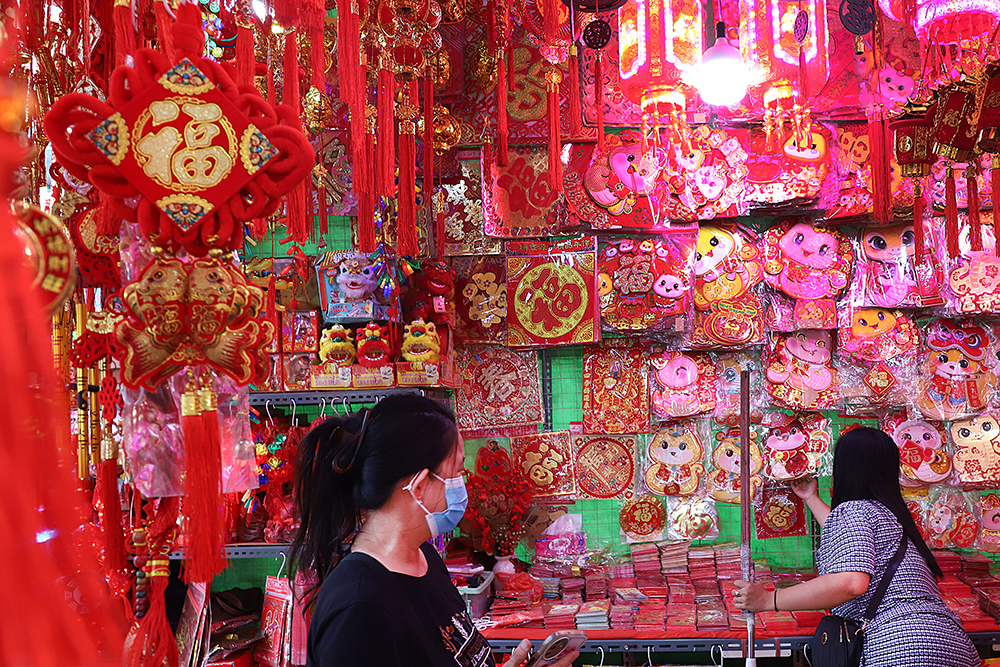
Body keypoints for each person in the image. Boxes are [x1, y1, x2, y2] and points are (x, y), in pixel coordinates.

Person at [291, 394, 579, 667]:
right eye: (457, 472)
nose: (462, 485)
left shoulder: (424, 559)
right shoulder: (359, 610)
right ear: (419, 487)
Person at [732, 427, 979, 667]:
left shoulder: (853, 510)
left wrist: (768, 600)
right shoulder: (895, 517)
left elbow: (851, 582)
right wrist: (811, 499)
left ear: (845, 469)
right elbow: (851, 544)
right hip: (951, 642)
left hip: (901, 647)